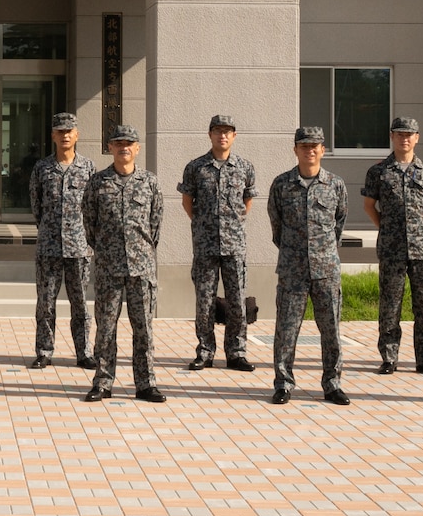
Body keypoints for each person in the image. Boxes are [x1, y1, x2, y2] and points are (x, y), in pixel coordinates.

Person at [82, 125, 164, 404]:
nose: (124, 147)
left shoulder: (150, 182)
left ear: (137, 148)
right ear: (111, 148)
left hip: (142, 268)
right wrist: (106, 250)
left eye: (129, 143)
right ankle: (103, 382)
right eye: (118, 143)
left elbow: (155, 225)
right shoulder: (98, 182)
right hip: (109, 267)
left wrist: (142, 252)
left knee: (144, 328)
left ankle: (146, 383)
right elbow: (89, 223)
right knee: (106, 327)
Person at [266, 127, 349, 405]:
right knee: (286, 329)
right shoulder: (281, 184)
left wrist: (322, 251)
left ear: (323, 150)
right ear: (295, 150)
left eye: (315, 146)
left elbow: (339, 223)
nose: (310, 150)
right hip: (293, 269)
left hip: (326, 269)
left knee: (331, 330)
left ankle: (333, 383)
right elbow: (276, 225)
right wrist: (294, 250)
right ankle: (283, 383)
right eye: (304, 146)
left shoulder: (335, 184)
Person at [361, 116, 423, 375]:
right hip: (391, 248)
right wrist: (386, 228)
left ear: (417, 138)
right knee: (390, 305)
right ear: (392, 137)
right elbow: (369, 205)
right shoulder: (379, 171)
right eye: (399, 134)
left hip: (421, 249)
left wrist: (418, 229)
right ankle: (389, 357)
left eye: (409, 134)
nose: (404, 138)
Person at [180, 114, 257, 371]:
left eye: (227, 131)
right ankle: (205, 351)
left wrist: (232, 224)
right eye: (217, 131)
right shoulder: (196, 167)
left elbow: (247, 202)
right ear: (210, 135)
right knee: (204, 301)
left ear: (234, 136)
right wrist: (203, 224)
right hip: (205, 246)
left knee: (237, 301)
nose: (222, 136)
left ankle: (236, 352)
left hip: (234, 246)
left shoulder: (245, 167)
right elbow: (187, 202)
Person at [29, 111, 95, 370]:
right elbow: (37, 205)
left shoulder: (88, 168)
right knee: (45, 303)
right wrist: (48, 230)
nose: (65, 135)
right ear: (53, 136)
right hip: (49, 247)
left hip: (79, 248)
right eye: (60, 131)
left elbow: (93, 207)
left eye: (69, 131)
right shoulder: (42, 168)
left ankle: (84, 353)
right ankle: (44, 351)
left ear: (76, 135)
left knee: (80, 304)